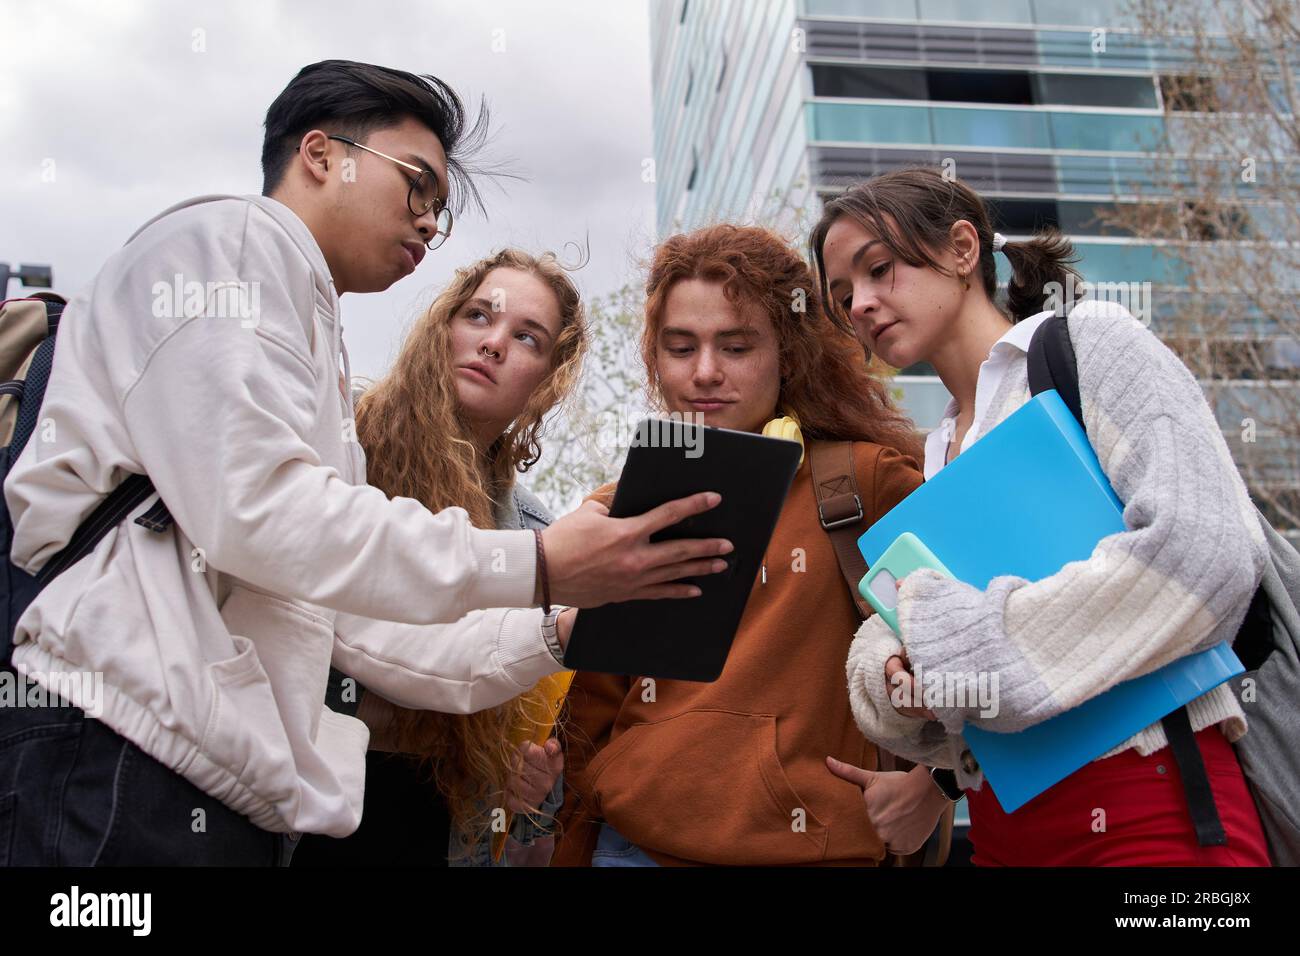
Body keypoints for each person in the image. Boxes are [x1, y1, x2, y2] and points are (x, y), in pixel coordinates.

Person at [0, 60, 731, 866]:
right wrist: (539, 562)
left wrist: (560, 621)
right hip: (118, 756)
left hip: (204, 784)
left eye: (440, 211)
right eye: (417, 185)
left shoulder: (309, 323)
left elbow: (372, 629)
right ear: (320, 155)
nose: (427, 222)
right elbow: (262, 512)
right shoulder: (233, 240)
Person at [813, 167, 1271, 866]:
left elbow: (1204, 554)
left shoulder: (1089, 343)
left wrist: (954, 648)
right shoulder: (935, 448)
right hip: (1002, 828)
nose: (862, 305)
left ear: (963, 249)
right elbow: (919, 628)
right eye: (842, 297)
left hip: (1149, 801)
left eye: (879, 270)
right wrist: (900, 682)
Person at [551, 224, 928, 866]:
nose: (705, 373)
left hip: (813, 851)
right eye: (680, 347)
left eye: (736, 345)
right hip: (633, 849)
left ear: (787, 351)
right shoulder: (615, 512)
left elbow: (986, 641)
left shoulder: (862, 482)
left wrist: (937, 787)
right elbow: (586, 722)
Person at [294, 248, 584, 867]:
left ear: (548, 381)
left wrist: (526, 790)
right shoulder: (340, 446)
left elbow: (525, 804)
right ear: (443, 326)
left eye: (527, 337)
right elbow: (282, 639)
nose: (494, 343)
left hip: (438, 832)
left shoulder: (536, 531)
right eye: (479, 316)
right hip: (300, 810)